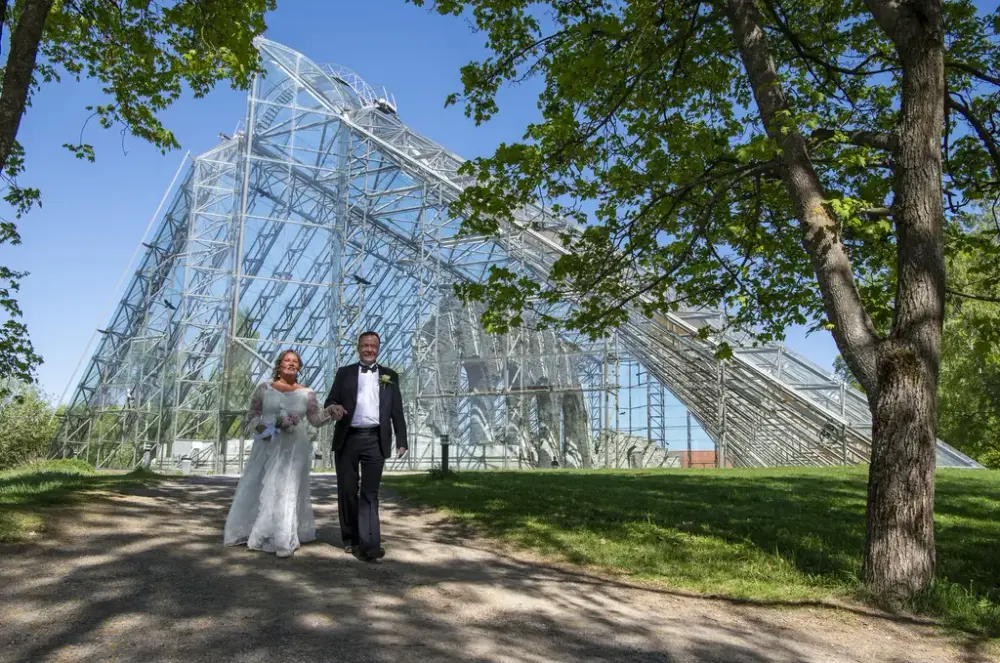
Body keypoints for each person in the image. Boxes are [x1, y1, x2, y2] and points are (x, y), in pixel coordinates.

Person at [223, 349, 341, 558]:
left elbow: (314, 419)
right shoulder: (264, 388)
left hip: (293, 448)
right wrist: (260, 428)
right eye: (287, 360)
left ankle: (283, 536)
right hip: (266, 443)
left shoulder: (307, 393)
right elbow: (252, 414)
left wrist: (330, 412)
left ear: (299, 367)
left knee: (287, 488)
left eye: (295, 361)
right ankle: (257, 529)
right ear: (279, 365)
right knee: (259, 484)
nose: (291, 363)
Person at [324, 331, 408, 562]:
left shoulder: (390, 375)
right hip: (348, 437)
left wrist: (402, 440)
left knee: (370, 494)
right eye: (365, 345)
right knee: (348, 490)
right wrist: (334, 408)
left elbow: (396, 410)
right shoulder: (345, 373)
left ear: (378, 348)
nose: (369, 349)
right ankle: (350, 538)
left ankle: (370, 544)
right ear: (358, 347)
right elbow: (330, 400)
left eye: (373, 346)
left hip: (375, 439)